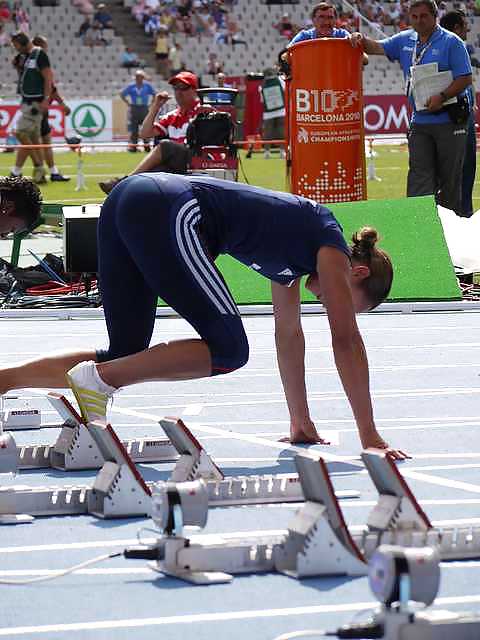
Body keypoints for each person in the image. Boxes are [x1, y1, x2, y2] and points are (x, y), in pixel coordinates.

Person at [0, 172, 409, 460]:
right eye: (341, 299)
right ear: (357, 272)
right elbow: (346, 338)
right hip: (167, 206)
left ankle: (7, 379)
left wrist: (300, 421)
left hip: (129, 201)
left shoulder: (293, 261)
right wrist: (369, 435)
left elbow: (289, 336)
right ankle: (100, 381)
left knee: (126, 352)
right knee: (229, 349)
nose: (328, 304)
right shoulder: (328, 242)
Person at [351, 0, 472, 216]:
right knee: (418, 179)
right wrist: (359, 39)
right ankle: (420, 227)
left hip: (449, 121)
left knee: (449, 182)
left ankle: (449, 234)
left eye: (424, 16)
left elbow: (465, 77)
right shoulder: (405, 39)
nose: (419, 21)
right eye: (414, 17)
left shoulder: (451, 42)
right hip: (420, 122)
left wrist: (442, 96)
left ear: (435, 16)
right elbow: (376, 46)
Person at [99, 71, 203, 193]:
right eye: (175, 88)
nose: (178, 93)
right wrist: (155, 107)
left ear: (195, 90)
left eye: (183, 88)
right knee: (149, 176)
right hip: (177, 162)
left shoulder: (203, 110)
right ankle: (124, 196)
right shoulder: (173, 116)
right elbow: (144, 134)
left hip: (197, 158)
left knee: (165, 146)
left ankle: (123, 183)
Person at [439, 9, 476, 217]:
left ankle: (453, 211)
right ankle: (463, 213)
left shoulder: (442, 44)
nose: (468, 29)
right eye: (464, 25)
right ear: (456, 28)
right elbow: (463, 78)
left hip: (457, 110)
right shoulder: (455, 45)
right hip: (457, 114)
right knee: (465, 165)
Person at [9, 31, 53, 185]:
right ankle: (40, 171)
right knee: (34, 139)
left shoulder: (39, 54)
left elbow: (48, 77)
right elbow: (26, 77)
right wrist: (18, 67)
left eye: (16, 45)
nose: (16, 49)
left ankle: (21, 170)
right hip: (27, 101)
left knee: (20, 132)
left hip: (35, 103)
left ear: (22, 42)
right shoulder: (26, 57)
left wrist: (46, 99)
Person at [31, 35, 71, 182]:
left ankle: (46, 172)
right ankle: (46, 172)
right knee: (39, 142)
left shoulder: (28, 62)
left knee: (35, 142)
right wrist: (62, 104)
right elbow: (51, 89)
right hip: (40, 107)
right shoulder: (40, 63)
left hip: (34, 106)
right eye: (45, 46)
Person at [288, 2, 369, 65]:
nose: (326, 22)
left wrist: (356, 41)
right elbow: (285, 55)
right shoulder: (304, 36)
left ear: (335, 20)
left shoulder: (342, 35)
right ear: (313, 19)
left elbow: (365, 60)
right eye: (321, 17)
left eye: (330, 18)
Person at [120, 69, 155, 152]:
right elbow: (122, 94)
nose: (138, 79)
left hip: (144, 108)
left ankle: (147, 146)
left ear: (143, 78)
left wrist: (151, 103)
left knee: (146, 127)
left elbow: (154, 94)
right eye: (137, 77)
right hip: (134, 108)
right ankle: (133, 147)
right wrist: (128, 102)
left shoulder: (147, 86)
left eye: (140, 77)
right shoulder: (131, 86)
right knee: (134, 129)